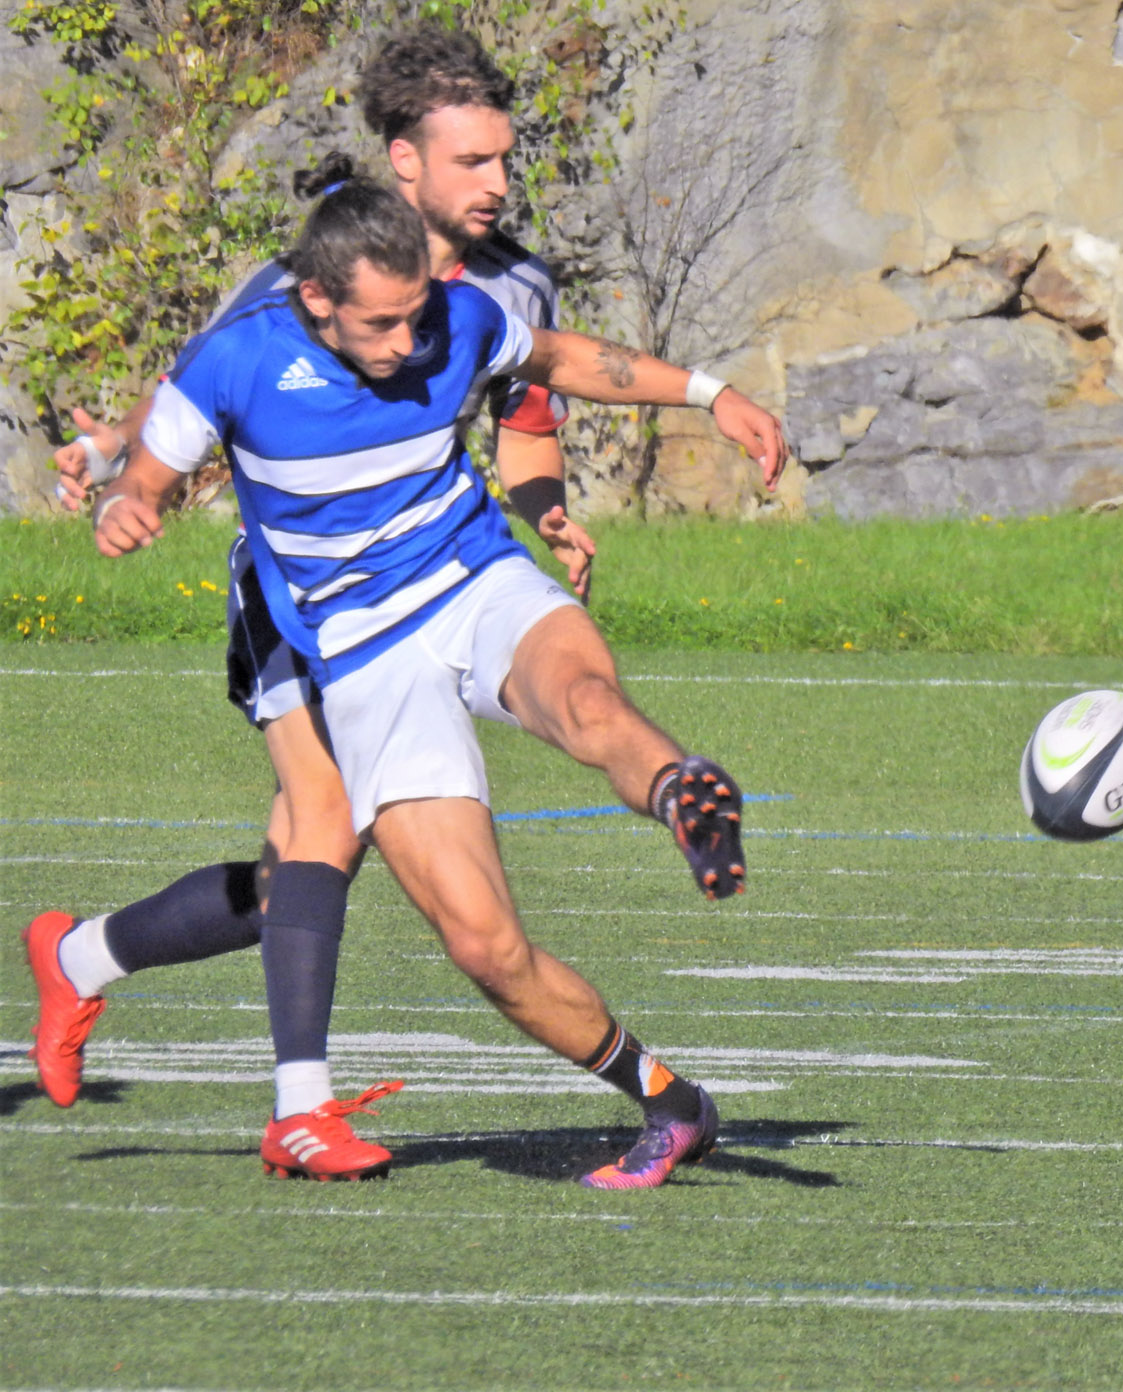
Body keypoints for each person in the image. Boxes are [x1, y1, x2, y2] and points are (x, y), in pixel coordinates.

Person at [86, 177, 787, 1189]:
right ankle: (672, 1102)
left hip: (473, 577)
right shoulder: (236, 362)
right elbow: (145, 478)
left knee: (586, 703)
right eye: (381, 322)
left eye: (417, 313)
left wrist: (712, 393)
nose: (408, 341)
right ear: (317, 300)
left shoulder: (453, 316)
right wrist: (127, 509)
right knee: (485, 947)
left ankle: (684, 794)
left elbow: (563, 357)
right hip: (367, 657)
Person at [23, 27, 598, 1181]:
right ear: (407, 164)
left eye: (504, 158)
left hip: (422, 587)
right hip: (294, 599)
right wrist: (124, 462)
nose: (498, 183)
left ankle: (83, 955)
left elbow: (528, 426)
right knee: (327, 828)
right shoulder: (323, 263)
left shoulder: (513, 282)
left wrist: (544, 514)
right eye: (474, 162)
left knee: (298, 870)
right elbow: (208, 378)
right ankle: (300, 1110)